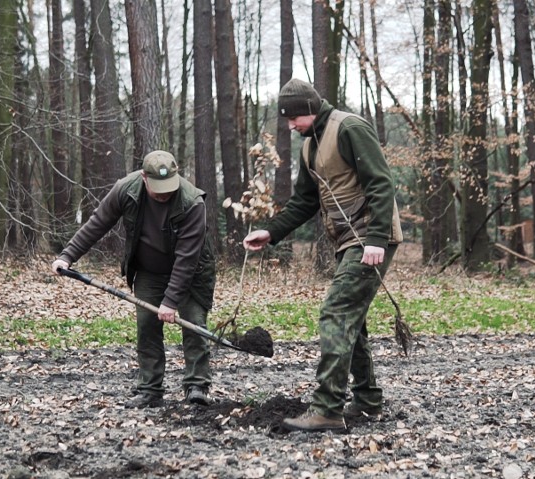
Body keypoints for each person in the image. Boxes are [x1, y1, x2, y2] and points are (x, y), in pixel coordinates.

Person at [243, 78, 402, 431]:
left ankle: (328, 409)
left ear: (309, 110)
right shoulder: (309, 147)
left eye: (292, 118)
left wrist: (376, 239)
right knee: (352, 320)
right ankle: (367, 401)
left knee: (336, 312)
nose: (289, 126)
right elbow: (305, 201)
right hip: (349, 239)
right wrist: (272, 231)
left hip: (371, 237)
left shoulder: (349, 128)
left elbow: (380, 182)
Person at [51, 150, 216, 409]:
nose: (164, 194)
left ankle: (197, 386)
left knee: (193, 325)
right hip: (148, 271)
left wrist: (171, 301)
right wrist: (67, 256)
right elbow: (97, 223)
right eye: (158, 188)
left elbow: (187, 258)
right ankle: (150, 389)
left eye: (168, 187)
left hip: (192, 273)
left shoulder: (192, 202)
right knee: (146, 327)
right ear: (144, 178)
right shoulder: (126, 190)